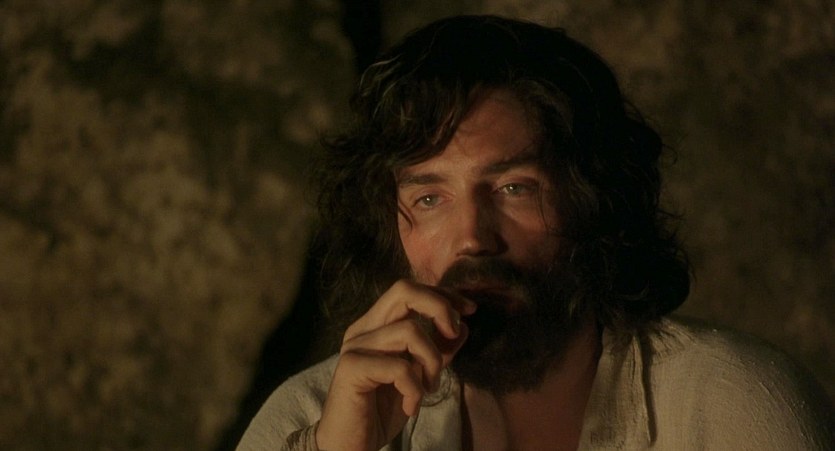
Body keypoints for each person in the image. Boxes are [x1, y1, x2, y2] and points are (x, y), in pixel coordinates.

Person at [238, 15, 834, 450]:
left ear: (590, 200)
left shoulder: (731, 404)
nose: (472, 238)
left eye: (513, 188)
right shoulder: (317, 413)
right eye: (429, 198)